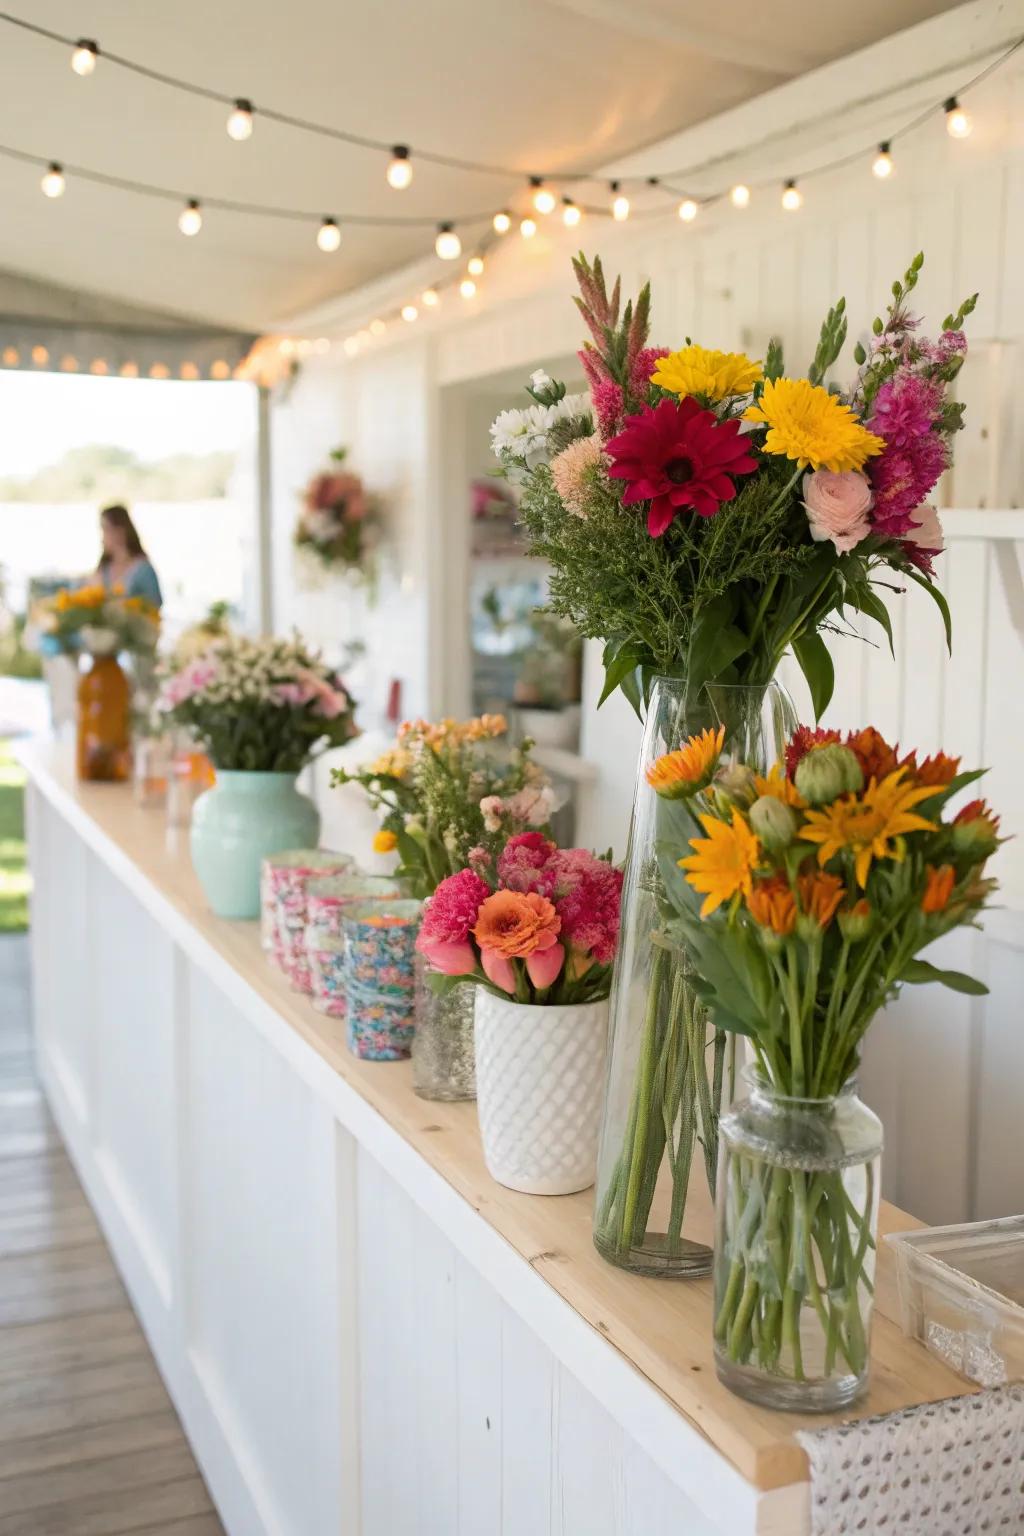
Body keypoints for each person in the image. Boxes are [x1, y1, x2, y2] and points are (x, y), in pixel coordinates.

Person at [95, 504, 163, 608]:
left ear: (120, 530)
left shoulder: (143, 570)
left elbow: (156, 606)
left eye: (105, 529)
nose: (102, 538)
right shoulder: (104, 568)